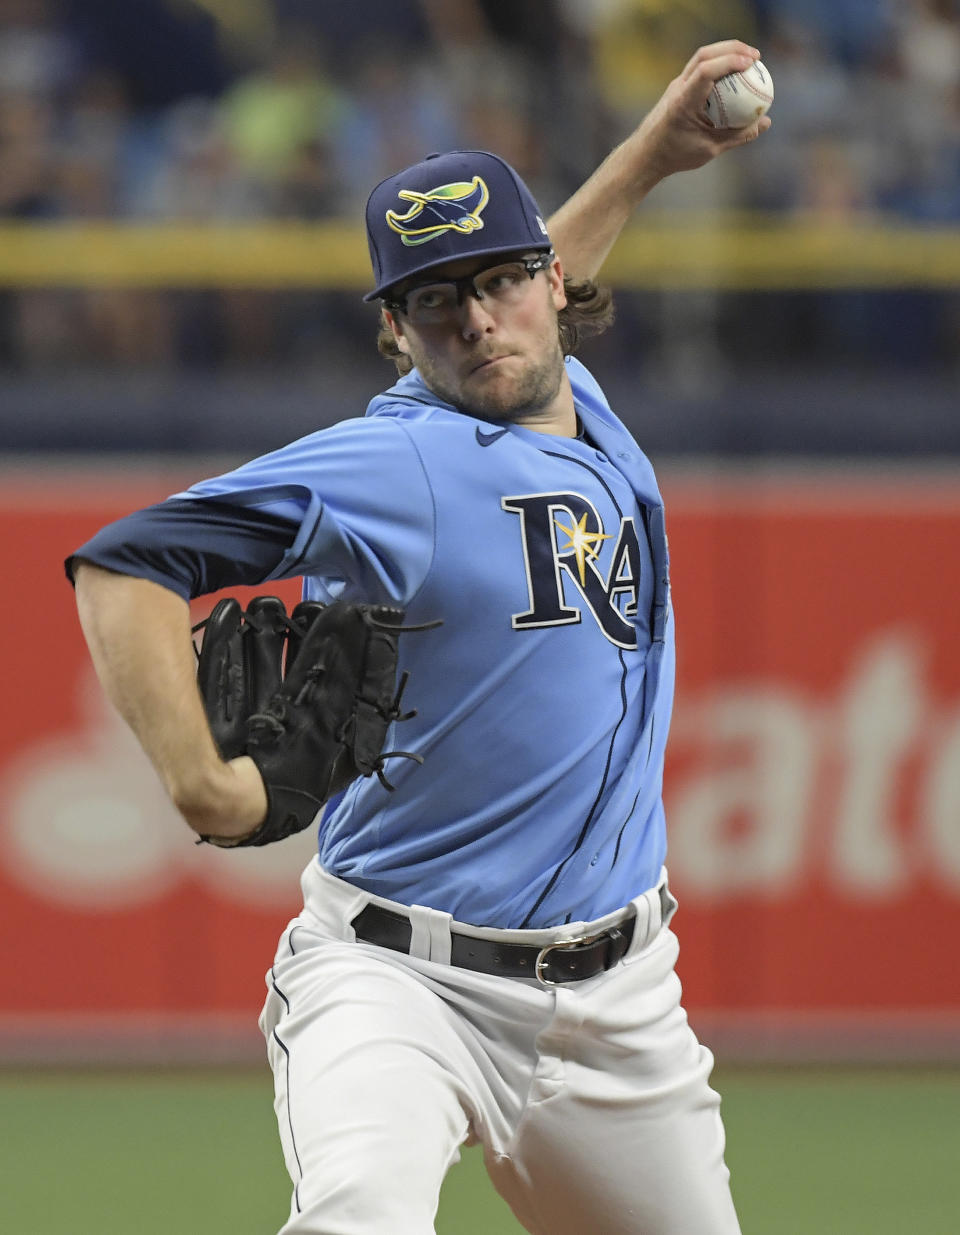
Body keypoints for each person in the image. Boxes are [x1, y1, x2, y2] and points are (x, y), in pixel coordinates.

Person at [68, 40, 770, 1235]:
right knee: (357, 1216)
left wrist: (652, 155)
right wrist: (208, 784)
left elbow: (543, 284)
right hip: (399, 979)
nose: (477, 320)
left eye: (499, 279)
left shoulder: (570, 394)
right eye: (435, 301)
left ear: (552, 281)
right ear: (396, 331)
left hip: (623, 1001)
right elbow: (126, 561)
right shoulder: (396, 458)